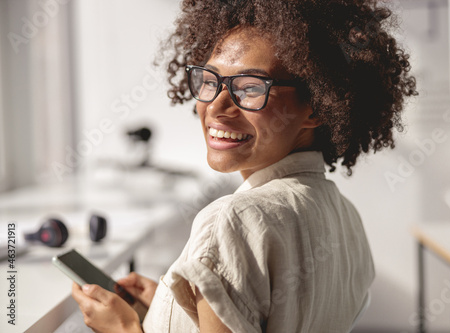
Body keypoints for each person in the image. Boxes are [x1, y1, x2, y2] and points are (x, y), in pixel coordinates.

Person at [72, 0, 417, 332]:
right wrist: (169, 310)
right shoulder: (346, 217)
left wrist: (122, 330)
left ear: (317, 107)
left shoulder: (232, 221)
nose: (216, 107)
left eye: (250, 87)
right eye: (209, 80)